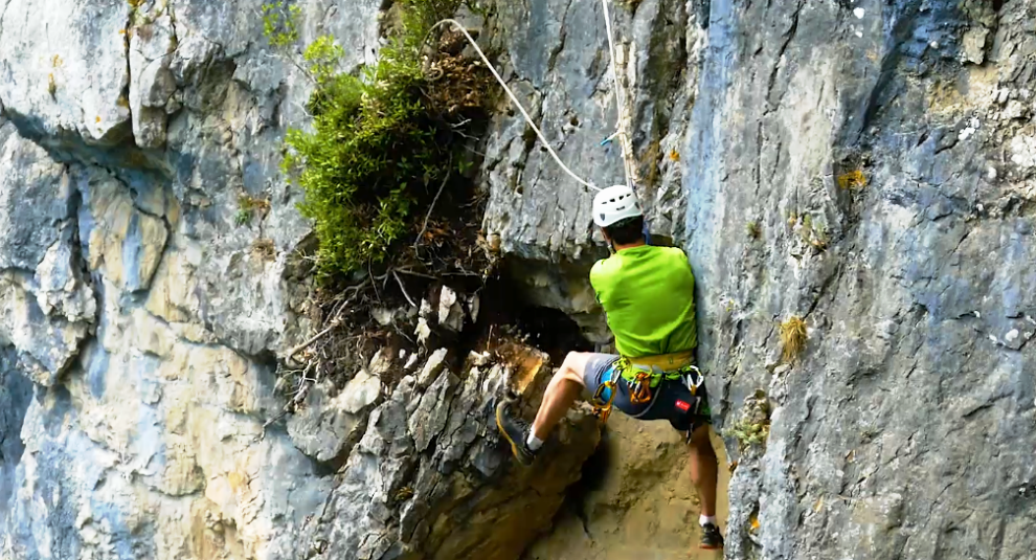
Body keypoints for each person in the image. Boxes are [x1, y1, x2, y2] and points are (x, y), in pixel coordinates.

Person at [495, 184, 724, 550]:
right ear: (641, 221)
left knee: (571, 365)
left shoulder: (604, 274)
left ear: (605, 233)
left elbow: (618, 272)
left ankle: (531, 441)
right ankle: (709, 524)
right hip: (685, 392)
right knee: (699, 445)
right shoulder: (677, 260)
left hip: (638, 393)